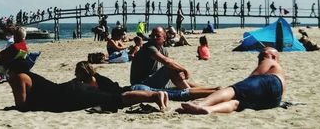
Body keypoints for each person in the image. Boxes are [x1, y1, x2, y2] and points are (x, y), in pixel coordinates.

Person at [7, 62, 169, 112]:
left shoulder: (19, 78)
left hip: (67, 95)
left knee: (116, 100)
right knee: (114, 99)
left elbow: (21, 105)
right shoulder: (29, 76)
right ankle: (154, 96)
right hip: (70, 91)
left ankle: (155, 96)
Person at [176, 47, 285, 114]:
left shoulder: (271, 61)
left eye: (263, 54)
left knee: (234, 90)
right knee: (236, 103)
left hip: (271, 83)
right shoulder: (281, 74)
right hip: (273, 101)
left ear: (273, 57)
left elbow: (255, 76)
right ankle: (210, 109)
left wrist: (243, 85)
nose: (260, 57)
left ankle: (202, 104)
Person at [75, 61, 218, 102]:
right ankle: (214, 90)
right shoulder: (97, 78)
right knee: (176, 92)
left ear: (83, 72)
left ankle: (214, 91)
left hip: (136, 90)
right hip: (136, 87)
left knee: (178, 94)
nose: (75, 74)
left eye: (77, 72)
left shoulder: (94, 82)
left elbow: (98, 96)